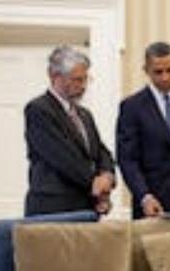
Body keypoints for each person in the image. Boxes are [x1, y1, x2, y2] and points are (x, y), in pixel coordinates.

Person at [24, 45, 115, 217]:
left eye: (85, 79)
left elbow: (101, 152)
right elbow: (64, 158)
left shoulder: (84, 114)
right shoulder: (38, 109)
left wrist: (107, 176)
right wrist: (95, 184)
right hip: (52, 210)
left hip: (85, 207)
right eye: (77, 80)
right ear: (54, 76)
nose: (83, 86)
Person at [116, 42, 170, 218]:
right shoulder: (132, 107)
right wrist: (144, 196)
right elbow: (128, 160)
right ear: (146, 70)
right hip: (153, 203)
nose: (165, 77)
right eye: (158, 72)